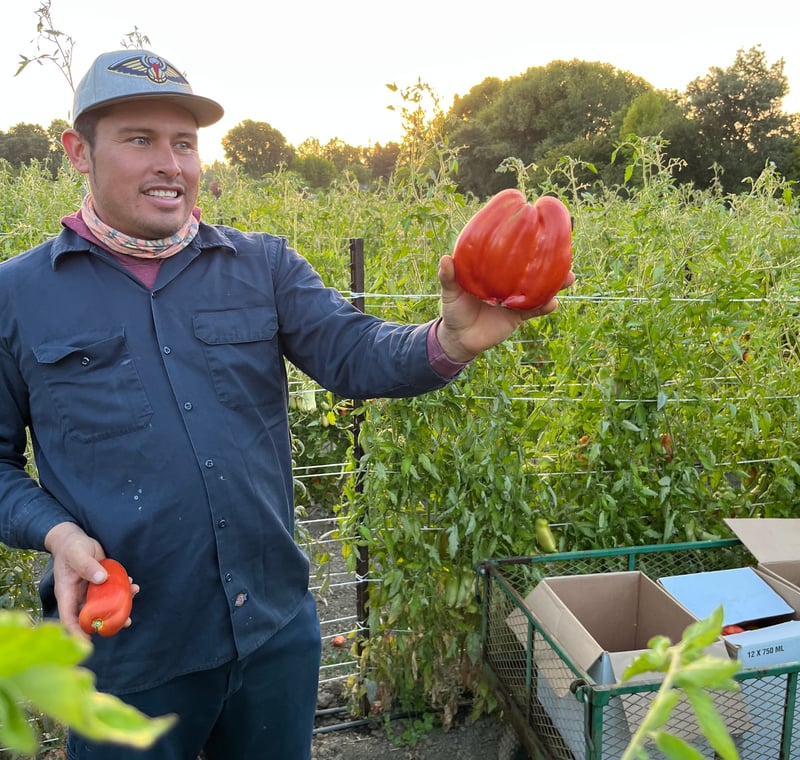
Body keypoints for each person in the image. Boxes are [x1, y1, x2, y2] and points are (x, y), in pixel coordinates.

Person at [0, 49, 574, 760]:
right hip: (129, 653)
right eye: (139, 139)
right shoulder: (18, 296)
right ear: (77, 151)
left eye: (184, 142)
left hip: (271, 635)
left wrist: (450, 342)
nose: (170, 164)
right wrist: (55, 532)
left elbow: (355, 353)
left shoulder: (261, 267)